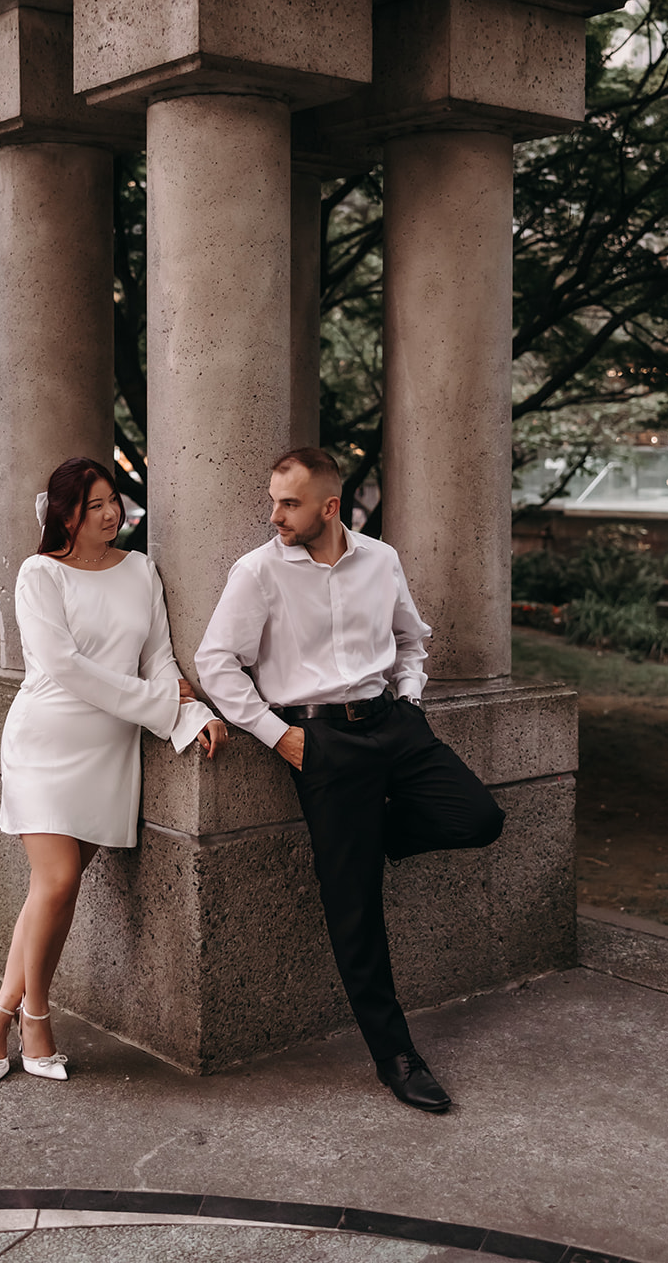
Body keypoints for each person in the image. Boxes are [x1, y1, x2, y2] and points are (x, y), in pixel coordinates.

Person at [195, 447, 504, 1113]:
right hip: (321, 742)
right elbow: (216, 663)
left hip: (393, 726)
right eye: (273, 499)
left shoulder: (380, 559)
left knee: (478, 818)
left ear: (328, 508)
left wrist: (411, 697)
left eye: (289, 503)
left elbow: (411, 637)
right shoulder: (256, 572)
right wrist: (280, 736)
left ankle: (371, 839)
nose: (273, 514)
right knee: (353, 907)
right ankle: (395, 1056)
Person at [0, 456, 227, 1087]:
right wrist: (165, 707)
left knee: (51, 895)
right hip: (47, 739)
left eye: (114, 500)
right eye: (95, 505)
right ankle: (35, 1015)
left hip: (110, 751)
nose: (112, 513)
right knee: (56, 883)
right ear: (65, 513)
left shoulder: (141, 569)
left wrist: (191, 717)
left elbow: (160, 658)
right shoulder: (40, 574)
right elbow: (65, 667)